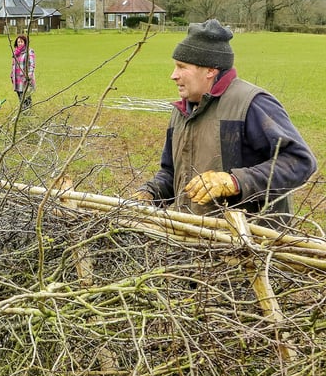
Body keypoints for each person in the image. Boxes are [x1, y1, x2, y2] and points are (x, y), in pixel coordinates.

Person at [132, 19, 316, 225]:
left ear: (210, 70)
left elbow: (300, 162)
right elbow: (172, 173)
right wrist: (150, 194)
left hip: (251, 243)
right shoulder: (182, 111)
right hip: (196, 240)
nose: (173, 75)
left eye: (182, 67)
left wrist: (234, 182)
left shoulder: (250, 104)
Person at [11, 34, 35, 110]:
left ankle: (28, 113)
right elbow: (13, 65)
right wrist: (11, 75)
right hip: (17, 79)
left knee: (26, 98)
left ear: (25, 42)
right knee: (20, 98)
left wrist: (29, 77)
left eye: (21, 41)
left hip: (25, 79)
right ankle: (22, 112)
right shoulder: (15, 53)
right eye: (18, 42)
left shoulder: (29, 52)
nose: (20, 43)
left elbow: (32, 65)